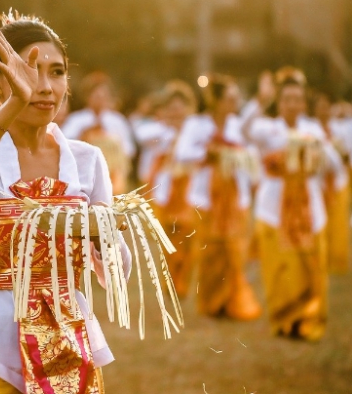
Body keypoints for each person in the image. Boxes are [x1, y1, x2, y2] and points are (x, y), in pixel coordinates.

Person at [0, 11, 131, 393]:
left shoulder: (87, 159)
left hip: (69, 340)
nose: (45, 85)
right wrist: (8, 109)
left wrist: (105, 230)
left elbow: (116, 275)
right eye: (30, 70)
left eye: (56, 72)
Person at [245, 67, 337, 341]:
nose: (293, 105)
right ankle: (284, 320)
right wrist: (260, 100)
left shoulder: (312, 130)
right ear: (279, 102)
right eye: (287, 99)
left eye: (298, 99)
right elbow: (244, 129)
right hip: (274, 206)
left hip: (309, 206)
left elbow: (333, 162)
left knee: (310, 265)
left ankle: (308, 320)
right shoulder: (267, 127)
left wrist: (317, 152)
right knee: (279, 267)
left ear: (304, 103)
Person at [175, 74, 261, 320]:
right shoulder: (196, 124)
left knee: (235, 249)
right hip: (205, 196)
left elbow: (250, 151)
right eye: (231, 98)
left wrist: (235, 154)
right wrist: (209, 152)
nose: (235, 102)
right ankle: (212, 303)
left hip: (236, 196)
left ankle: (234, 302)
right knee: (211, 249)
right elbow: (183, 153)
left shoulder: (238, 125)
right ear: (217, 101)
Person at [139, 81, 197, 299]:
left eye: (181, 106)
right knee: (169, 239)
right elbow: (142, 135)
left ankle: (182, 281)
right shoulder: (158, 132)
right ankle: (171, 283)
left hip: (189, 192)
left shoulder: (194, 131)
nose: (177, 111)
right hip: (166, 193)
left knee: (188, 239)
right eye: (172, 107)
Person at [61, 71, 136, 194]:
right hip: (83, 173)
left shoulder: (118, 120)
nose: (100, 99)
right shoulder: (76, 120)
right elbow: (65, 144)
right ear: (87, 97)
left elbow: (129, 150)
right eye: (95, 95)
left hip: (113, 174)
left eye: (104, 95)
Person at [310, 90, 350, 274]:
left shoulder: (339, 128)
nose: (324, 111)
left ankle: (337, 260)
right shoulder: (309, 129)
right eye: (321, 107)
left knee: (338, 222)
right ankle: (320, 259)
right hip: (318, 184)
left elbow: (346, 154)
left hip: (338, 181)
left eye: (327, 107)